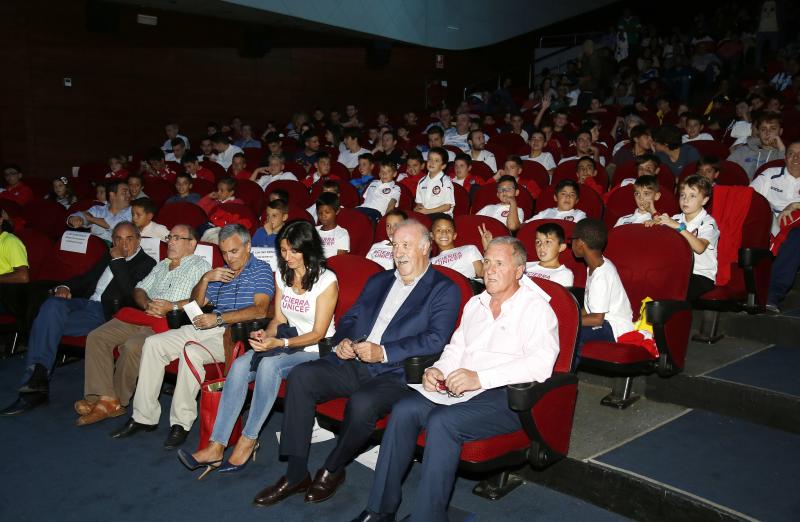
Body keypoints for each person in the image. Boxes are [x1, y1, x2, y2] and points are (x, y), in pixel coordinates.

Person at [252, 220, 460, 507]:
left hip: (397, 373)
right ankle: (296, 473)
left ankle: (333, 468)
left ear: (426, 247)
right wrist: (343, 341)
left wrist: (383, 352)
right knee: (301, 376)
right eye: (395, 245)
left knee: (362, 403)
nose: (398, 252)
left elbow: (435, 339)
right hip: (356, 360)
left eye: (406, 245)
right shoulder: (379, 280)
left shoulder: (444, 288)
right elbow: (350, 318)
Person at [352, 236, 559, 522]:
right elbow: (456, 348)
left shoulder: (536, 308)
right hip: (462, 388)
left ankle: (429, 517)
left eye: (500, 263)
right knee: (404, 409)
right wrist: (438, 369)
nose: (489, 269)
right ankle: (380, 510)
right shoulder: (476, 304)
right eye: (486, 262)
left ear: (519, 270)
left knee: (442, 422)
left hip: (507, 397)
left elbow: (541, 364)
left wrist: (481, 378)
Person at [177, 221, 338, 477]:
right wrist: (267, 333)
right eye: (283, 251)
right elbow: (279, 320)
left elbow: (318, 334)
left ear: (309, 249)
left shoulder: (326, 280)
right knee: (240, 364)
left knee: (269, 365)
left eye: (294, 251)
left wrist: (279, 343)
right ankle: (216, 445)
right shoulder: (283, 274)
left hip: (315, 349)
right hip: (286, 341)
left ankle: (248, 439)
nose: (288, 258)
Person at [111, 224, 274, 448]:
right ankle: (143, 417)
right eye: (224, 252)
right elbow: (197, 304)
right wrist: (207, 278)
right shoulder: (221, 272)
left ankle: (181, 423)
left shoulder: (261, 270)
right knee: (153, 344)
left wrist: (219, 319)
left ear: (248, 246)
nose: (228, 258)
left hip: (234, 334)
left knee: (191, 352)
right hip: (205, 327)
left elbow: (260, 310)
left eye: (234, 251)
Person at [0, 222, 156, 416]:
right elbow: (86, 278)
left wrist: (118, 263)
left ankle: (35, 382)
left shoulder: (147, 263)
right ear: (112, 241)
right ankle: (38, 378)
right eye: (118, 239)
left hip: (106, 314)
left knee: (45, 322)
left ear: (139, 240)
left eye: (129, 239)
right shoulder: (107, 256)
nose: (123, 244)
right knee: (51, 304)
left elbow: (131, 295)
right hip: (85, 303)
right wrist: (65, 286)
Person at [76, 225, 210, 425]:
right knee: (97, 336)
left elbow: (201, 301)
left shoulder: (200, 266)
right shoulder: (162, 265)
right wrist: (147, 303)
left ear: (192, 244)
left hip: (169, 323)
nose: (170, 242)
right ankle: (101, 396)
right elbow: (139, 289)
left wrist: (169, 307)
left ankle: (115, 401)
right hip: (143, 315)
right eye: (169, 237)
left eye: (177, 238)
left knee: (132, 346)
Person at [647, 175, 719, 300]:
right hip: (677, 271)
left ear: (704, 200)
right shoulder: (675, 219)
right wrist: (653, 226)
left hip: (700, 275)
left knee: (674, 291)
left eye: (692, 196)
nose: (685, 200)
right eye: (682, 195)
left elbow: (700, 247)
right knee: (648, 281)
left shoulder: (708, 223)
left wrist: (678, 227)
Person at [572, 219, 633, 349]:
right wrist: (570, 315)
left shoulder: (602, 274)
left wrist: (569, 321)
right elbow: (589, 309)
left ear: (580, 243)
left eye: (572, 239)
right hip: (604, 322)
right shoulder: (594, 266)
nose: (571, 243)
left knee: (571, 334)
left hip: (614, 327)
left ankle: (566, 370)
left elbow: (597, 319)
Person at [67, 180, 132, 242]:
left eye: (129, 192)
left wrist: (92, 219)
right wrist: (74, 218)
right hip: (95, 248)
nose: (129, 195)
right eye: (125, 192)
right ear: (112, 195)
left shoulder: (133, 211)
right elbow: (84, 215)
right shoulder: (98, 209)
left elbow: (115, 225)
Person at [728, 113, 786, 180]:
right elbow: (727, 172)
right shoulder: (743, 150)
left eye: (773, 128)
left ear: (780, 131)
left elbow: (784, 179)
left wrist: (782, 150)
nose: (767, 133)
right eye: (763, 129)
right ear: (758, 132)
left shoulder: (785, 154)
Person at [429, 214, 484, 280]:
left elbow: (482, 273)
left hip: (466, 287)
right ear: (432, 235)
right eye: (439, 230)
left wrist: (488, 248)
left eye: (448, 230)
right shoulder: (430, 263)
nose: (444, 233)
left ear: (454, 235)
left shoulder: (469, 249)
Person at [524, 222, 574, 287]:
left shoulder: (564, 274)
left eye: (548, 242)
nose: (541, 246)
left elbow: (560, 296)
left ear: (561, 247)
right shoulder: (524, 265)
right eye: (538, 242)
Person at [415, 147, 455, 216]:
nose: (432, 162)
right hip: (426, 214)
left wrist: (428, 211)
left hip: (441, 215)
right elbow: (419, 202)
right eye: (430, 159)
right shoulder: (422, 181)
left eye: (436, 160)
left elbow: (447, 206)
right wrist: (419, 208)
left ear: (443, 166)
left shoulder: (446, 182)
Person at [315, 192, 350, 258]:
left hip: (331, 266)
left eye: (327, 212)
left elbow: (340, 260)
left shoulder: (342, 233)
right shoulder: (313, 230)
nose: (323, 216)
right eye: (320, 213)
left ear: (337, 211)